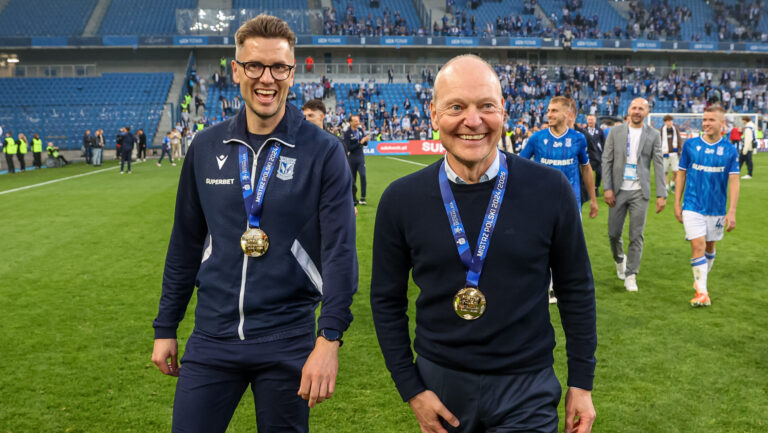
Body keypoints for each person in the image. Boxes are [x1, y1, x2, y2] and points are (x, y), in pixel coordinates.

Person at [151, 14, 357, 433]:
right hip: (212, 338)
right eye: (255, 66)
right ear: (235, 70)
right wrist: (166, 325)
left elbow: (339, 252)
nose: (267, 78)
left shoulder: (323, 151)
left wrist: (329, 337)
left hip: (287, 339)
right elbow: (185, 243)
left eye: (278, 67)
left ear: (292, 73)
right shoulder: (205, 146)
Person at [371, 54, 596, 433]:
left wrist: (582, 381)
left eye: (486, 106)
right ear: (433, 114)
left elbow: (576, 289)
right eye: (456, 107)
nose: (473, 121)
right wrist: (411, 388)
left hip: (526, 387)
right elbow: (386, 300)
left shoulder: (550, 189)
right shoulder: (400, 199)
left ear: (503, 111)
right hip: (440, 385)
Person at [520, 97, 597, 303]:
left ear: (566, 114)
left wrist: (593, 199)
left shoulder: (578, 139)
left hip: (571, 202)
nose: (549, 114)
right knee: (541, 245)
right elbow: (520, 164)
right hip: (541, 202)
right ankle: (543, 285)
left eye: (554, 111)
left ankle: (558, 286)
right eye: (548, 110)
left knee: (567, 248)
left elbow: (586, 169)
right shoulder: (537, 138)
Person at [674, 105, 740, 307]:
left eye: (711, 120)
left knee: (710, 247)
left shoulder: (730, 150)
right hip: (692, 205)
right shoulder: (691, 145)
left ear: (722, 123)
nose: (706, 123)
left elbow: (734, 180)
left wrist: (732, 211)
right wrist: (677, 202)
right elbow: (681, 174)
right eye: (704, 120)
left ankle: (701, 281)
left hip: (716, 208)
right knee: (698, 245)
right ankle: (702, 292)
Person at [602, 97, 667, 292]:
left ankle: (631, 275)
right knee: (613, 233)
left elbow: (658, 163)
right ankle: (619, 259)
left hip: (640, 191)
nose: (637, 111)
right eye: (634, 108)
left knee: (636, 235)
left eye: (641, 109)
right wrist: (607, 188)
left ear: (647, 113)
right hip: (618, 190)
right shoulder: (615, 132)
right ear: (629, 110)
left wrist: (661, 194)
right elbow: (607, 160)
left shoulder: (653, 134)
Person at [343, 114, 369, 205]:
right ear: (350, 122)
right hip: (352, 158)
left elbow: (365, 144)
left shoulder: (360, 130)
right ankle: (353, 198)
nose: (358, 122)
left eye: (358, 121)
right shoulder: (347, 133)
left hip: (360, 157)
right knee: (352, 179)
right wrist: (360, 143)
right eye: (355, 121)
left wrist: (365, 141)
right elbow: (349, 148)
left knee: (363, 175)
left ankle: (363, 198)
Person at [659, 115, 683, 191]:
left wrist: (679, 151)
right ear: (665, 122)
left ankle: (672, 182)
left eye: (670, 121)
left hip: (674, 154)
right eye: (667, 121)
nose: (669, 122)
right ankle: (666, 186)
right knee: (664, 171)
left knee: (676, 171)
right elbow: (658, 142)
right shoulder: (661, 130)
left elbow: (679, 140)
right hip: (664, 154)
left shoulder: (675, 130)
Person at [583, 114, 605, 195]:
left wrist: (603, 153)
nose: (590, 121)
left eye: (592, 119)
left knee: (599, 173)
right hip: (587, 156)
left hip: (598, 156)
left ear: (595, 120)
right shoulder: (583, 131)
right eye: (589, 119)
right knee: (586, 174)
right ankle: (586, 189)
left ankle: (596, 187)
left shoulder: (600, 131)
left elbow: (603, 142)